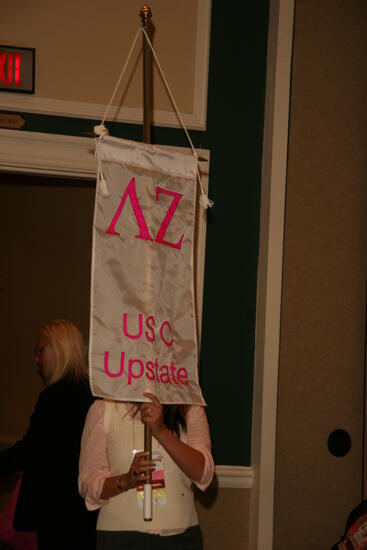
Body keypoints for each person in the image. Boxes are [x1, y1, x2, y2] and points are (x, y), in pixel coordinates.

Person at [0, 319, 98, 550]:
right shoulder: (94, 392)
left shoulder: (54, 396)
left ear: (58, 350)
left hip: (59, 512)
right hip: (89, 508)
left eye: (40, 350)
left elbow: (30, 450)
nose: (36, 358)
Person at [78, 391, 214, 549]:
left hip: (182, 538)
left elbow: (203, 474)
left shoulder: (189, 408)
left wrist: (161, 432)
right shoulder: (104, 409)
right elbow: (88, 484)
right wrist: (126, 480)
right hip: (121, 538)